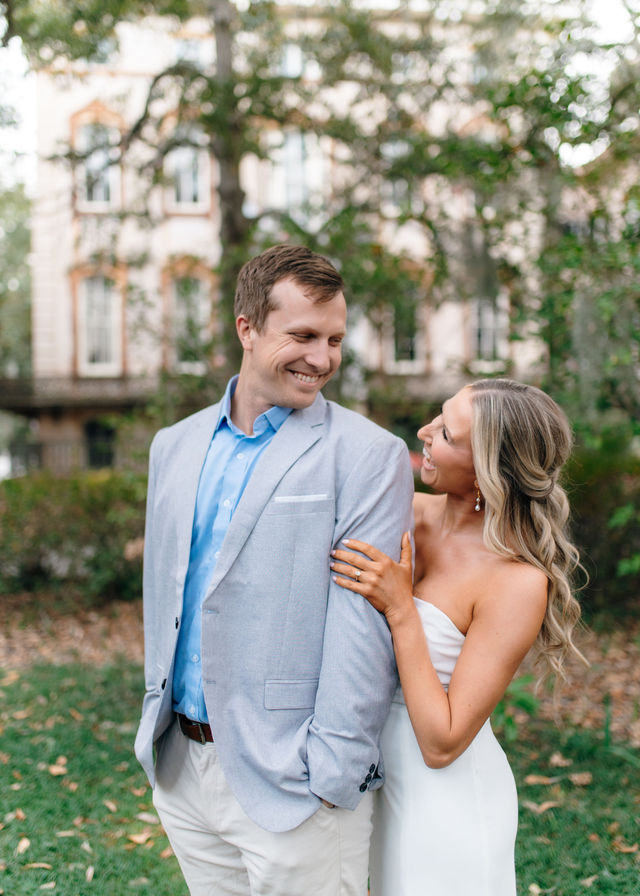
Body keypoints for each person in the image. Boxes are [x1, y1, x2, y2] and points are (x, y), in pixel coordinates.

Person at [134, 243, 414, 896]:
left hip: (297, 784)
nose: (323, 358)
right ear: (248, 328)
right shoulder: (172, 446)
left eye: (334, 340)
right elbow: (166, 591)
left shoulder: (369, 455)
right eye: (304, 336)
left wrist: (332, 772)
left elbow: (362, 625)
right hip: (182, 769)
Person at [331, 378, 586, 896]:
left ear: (488, 471)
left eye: (447, 434)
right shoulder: (401, 513)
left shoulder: (515, 582)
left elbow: (443, 742)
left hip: (448, 804)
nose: (424, 432)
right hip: (371, 780)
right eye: (438, 416)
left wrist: (401, 608)